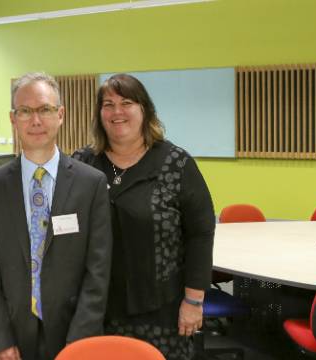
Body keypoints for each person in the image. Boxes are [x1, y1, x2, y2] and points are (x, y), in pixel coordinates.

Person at [72, 73, 215, 359]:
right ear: (99, 114)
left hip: (161, 308)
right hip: (96, 307)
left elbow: (200, 234)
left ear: (144, 109)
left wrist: (194, 301)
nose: (117, 112)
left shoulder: (176, 163)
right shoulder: (82, 163)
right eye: (108, 104)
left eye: (126, 103)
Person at [0, 72, 112, 360]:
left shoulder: (91, 184)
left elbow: (98, 272)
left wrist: (80, 344)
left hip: (73, 331)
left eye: (45, 110)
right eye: (25, 111)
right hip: (13, 335)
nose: (35, 121)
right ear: (13, 119)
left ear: (60, 115)